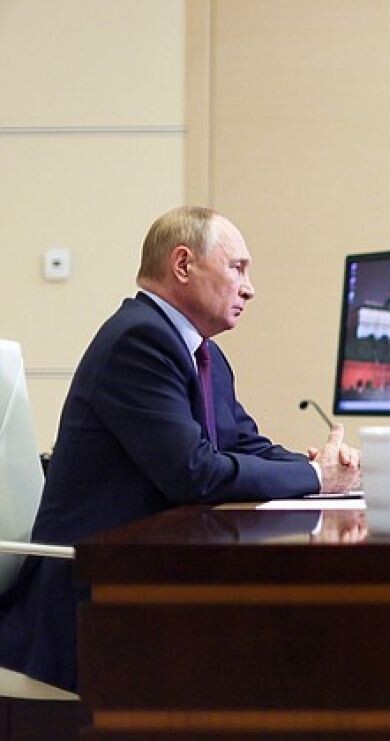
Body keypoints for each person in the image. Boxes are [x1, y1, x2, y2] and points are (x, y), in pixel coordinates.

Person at [0, 206, 362, 691]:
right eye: (238, 268)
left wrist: (322, 468)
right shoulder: (139, 341)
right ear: (184, 264)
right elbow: (195, 473)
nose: (250, 288)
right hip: (92, 602)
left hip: (146, 581)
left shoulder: (201, 352)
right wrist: (317, 479)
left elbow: (244, 442)